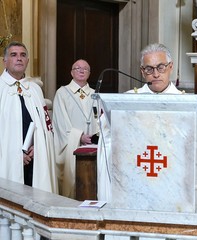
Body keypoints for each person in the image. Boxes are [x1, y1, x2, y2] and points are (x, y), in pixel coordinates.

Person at [97, 43, 183, 202]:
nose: (155, 74)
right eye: (149, 69)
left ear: (171, 67)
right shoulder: (127, 101)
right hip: (135, 177)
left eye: (161, 67)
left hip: (172, 179)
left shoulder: (185, 102)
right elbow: (106, 135)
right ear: (142, 72)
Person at [0, 41, 58, 193]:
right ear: (4, 61)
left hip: (35, 158)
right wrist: (15, 154)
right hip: (6, 160)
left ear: (27, 61)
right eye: (14, 55)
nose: (19, 58)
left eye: (23, 55)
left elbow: (46, 126)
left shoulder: (35, 89)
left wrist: (38, 147)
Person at [52, 59, 99, 198]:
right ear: (71, 72)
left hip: (92, 146)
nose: (81, 70)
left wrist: (95, 136)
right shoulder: (62, 93)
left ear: (89, 73)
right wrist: (79, 136)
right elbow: (60, 122)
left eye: (85, 68)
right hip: (72, 147)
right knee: (72, 183)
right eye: (77, 68)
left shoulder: (95, 94)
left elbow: (98, 118)